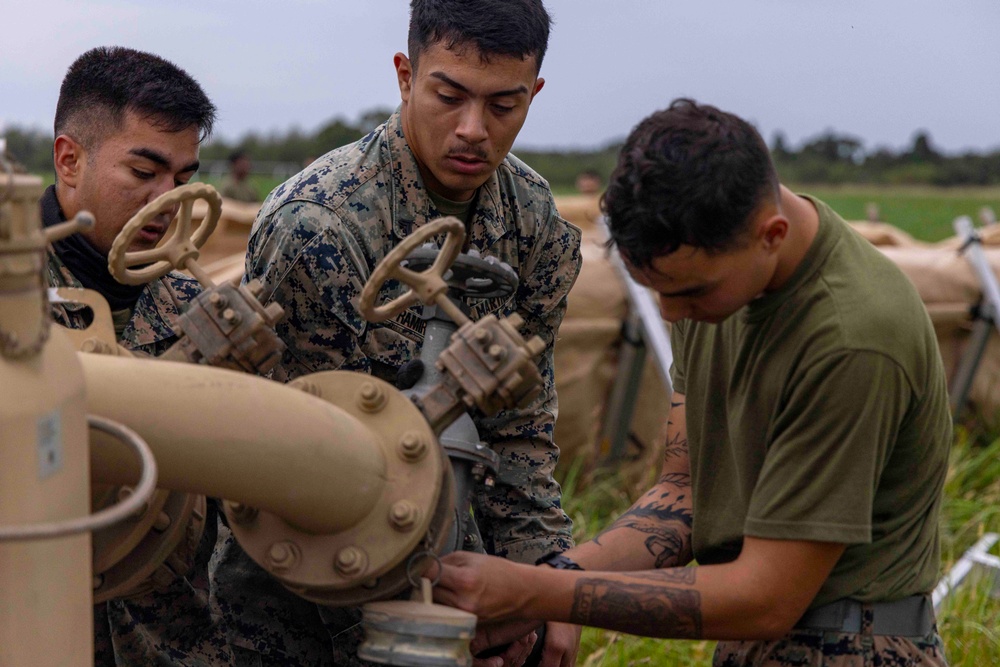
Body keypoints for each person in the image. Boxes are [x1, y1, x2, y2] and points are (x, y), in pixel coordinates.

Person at [431, 99, 952, 667]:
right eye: (655, 290)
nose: (671, 315)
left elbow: (767, 599)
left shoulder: (853, 338)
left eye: (689, 293)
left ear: (770, 235)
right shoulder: (720, 288)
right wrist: (555, 583)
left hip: (854, 648)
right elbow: (685, 494)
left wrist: (540, 593)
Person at [230, 1, 583, 665]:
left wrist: (545, 586)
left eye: (504, 105)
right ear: (405, 76)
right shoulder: (318, 227)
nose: (473, 130)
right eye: (448, 96)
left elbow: (521, 426)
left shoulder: (534, 221)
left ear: (534, 93)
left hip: (456, 579)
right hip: (302, 594)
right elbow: (301, 466)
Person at [43, 46, 232, 665]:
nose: (166, 200)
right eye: (143, 172)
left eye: (182, 179)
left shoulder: (192, 304)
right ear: (69, 160)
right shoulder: (13, 298)